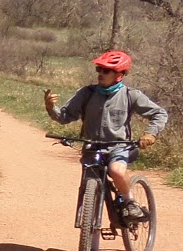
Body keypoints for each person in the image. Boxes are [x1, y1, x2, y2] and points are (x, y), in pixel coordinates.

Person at [44, 50, 167, 235]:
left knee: (116, 171)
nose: (100, 73)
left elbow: (159, 114)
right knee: (89, 185)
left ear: (119, 75)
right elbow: (65, 116)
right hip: (92, 146)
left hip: (119, 146)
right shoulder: (87, 93)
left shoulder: (130, 95)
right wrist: (51, 108)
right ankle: (89, 243)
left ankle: (130, 202)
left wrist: (150, 134)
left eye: (106, 70)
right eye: (99, 69)